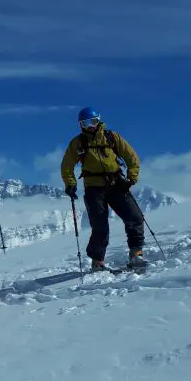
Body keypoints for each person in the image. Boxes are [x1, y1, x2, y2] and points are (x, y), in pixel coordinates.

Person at [60, 107, 145, 271]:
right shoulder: (78, 143)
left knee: (135, 218)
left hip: (116, 184)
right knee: (100, 227)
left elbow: (132, 157)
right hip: (94, 189)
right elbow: (66, 166)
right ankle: (97, 262)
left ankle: (136, 253)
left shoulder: (112, 137)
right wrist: (70, 184)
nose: (89, 126)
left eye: (92, 122)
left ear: (98, 120)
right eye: (84, 123)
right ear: (80, 125)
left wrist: (130, 179)